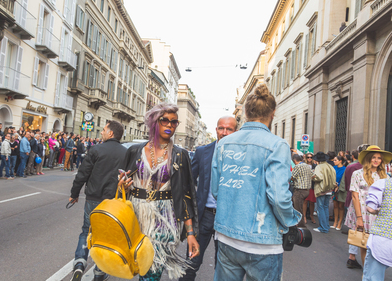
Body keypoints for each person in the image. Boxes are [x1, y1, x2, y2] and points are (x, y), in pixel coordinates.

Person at [210, 84, 301, 281]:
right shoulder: (277, 145)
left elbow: (216, 190)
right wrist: (291, 220)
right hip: (262, 241)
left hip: (227, 235)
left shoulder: (224, 144)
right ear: (273, 113)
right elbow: (278, 197)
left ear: (245, 112)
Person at [117, 103, 199, 281]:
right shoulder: (135, 151)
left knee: (152, 271)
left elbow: (185, 195)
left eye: (174, 122)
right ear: (154, 122)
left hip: (165, 218)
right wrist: (123, 185)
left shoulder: (180, 155)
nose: (170, 125)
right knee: (139, 267)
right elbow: (122, 182)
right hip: (137, 217)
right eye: (165, 120)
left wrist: (191, 233)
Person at [179, 116, 237, 281]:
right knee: (192, 261)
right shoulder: (202, 152)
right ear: (216, 129)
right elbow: (188, 182)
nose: (224, 132)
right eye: (221, 128)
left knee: (224, 267)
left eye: (229, 129)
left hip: (228, 218)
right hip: (204, 215)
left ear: (236, 131)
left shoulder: (241, 155)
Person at [68, 121, 128, 281]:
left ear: (110, 133)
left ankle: (79, 264)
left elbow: (82, 174)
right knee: (106, 236)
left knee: (86, 231)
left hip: (94, 199)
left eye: (103, 130)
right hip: (113, 202)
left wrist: (74, 194)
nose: (101, 132)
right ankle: (100, 272)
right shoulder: (126, 153)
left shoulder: (96, 150)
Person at [344, 145, 392, 265]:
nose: (376, 160)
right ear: (368, 158)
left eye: (379, 158)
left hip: (377, 213)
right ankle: (366, 274)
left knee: (375, 244)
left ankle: (372, 271)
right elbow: (355, 196)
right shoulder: (357, 174)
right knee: (364, 243)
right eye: (373, 157)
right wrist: (359, 218)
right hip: (360, 211)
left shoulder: (384, 176)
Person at [363, 175, 392, 280]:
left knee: (373, 276)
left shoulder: (385, 184)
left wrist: (380, 211)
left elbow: (370, 208)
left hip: (383, 236)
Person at [312, 152, 337, 233]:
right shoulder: (330, 166)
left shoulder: (319, 167)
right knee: (325, 207)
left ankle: (323, 227)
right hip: (329, 189)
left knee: (320, 208)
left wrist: (313, 177)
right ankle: (326, 226)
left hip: (321, 189)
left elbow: (318, 177)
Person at [291, 154, 312, 227]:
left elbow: (292, 177)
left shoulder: (297, 166)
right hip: (307, 190)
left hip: (299, 190)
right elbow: (313, 175)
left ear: (294, 161)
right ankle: (300, 224)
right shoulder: (307, 166)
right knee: (300, 207)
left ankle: (300, 226)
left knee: (298, 209)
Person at [332, 155, 346, 230]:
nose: (334, 161)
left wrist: (338, 185)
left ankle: (340, 222)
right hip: (334, 188)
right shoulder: (334, 168)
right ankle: (335, 222)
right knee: (335, 205)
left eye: (335, 160)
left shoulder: (345, 169)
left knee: (341, 206)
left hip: (341, 189)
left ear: (340, 161)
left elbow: (345, 180)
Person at [303, 152, 317, 224]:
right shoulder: (304, 165)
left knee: (312, 202)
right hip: (305, 185)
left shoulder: (315, 166)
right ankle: (304, 216)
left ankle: (311, 215)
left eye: (311, 157)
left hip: (312, 185)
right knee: (305, 201)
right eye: (308, 157)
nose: (309, 158)